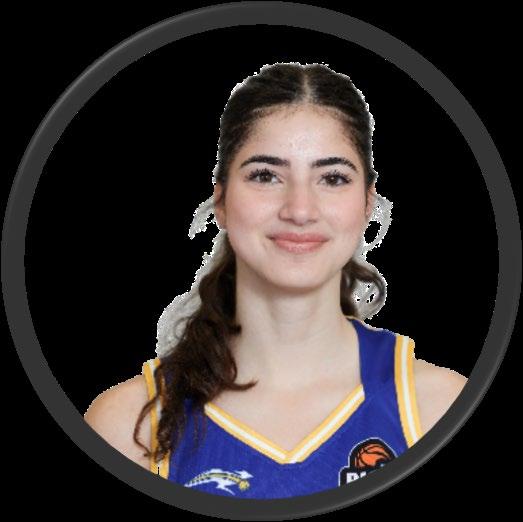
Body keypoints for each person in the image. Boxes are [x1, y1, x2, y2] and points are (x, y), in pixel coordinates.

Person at [84, 62, 468, 499]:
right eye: (266, 175)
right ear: (221, 200)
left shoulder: (439, 410)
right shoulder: (129, 427)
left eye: (332, 178)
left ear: (367, 203)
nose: (300, 209)